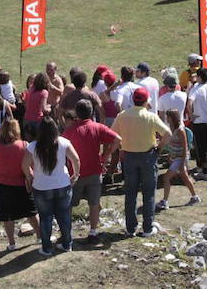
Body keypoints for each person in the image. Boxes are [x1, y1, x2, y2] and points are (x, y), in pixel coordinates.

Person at [113, 87, 171, 237]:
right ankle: (147, 228)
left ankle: (130, 228)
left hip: (129, 157)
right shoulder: (150, 117)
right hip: (147, 156)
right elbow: (168, 134)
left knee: (130, 193)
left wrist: (121, 147)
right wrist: (159, 148)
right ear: (146, 101)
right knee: (149, 193)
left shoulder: (122, 116)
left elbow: (114, 135)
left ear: (133, 100)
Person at [62, 99, 119, 240]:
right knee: (94, 203)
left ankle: (67, 232)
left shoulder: (69, 131)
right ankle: (93, 231)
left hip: (75, 174)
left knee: (68, 204)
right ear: (92, 112)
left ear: (77, 113)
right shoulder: (98, 127)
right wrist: (106, 156)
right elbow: (117, 139)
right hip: (95, 171)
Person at [0, 117, 39, 250]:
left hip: (3, 185)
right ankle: (40, 236)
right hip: (22, 184)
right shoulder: (24, 145)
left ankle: (12, 243)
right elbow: (32, 165)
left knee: (7, 216)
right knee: (31, 212)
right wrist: (31, 177)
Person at [23, 117, 79, 255]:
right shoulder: (64, 142)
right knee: (64, 216)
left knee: (45, 218)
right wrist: (75, 175)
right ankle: (67, 244)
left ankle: (47, 248)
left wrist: (29, 176)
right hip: (62, 184)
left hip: (41, 186)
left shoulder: (33, 146)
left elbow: (24, 165)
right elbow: (76, 159)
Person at [157, 108, 199, 210]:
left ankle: (165, 201)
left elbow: (185, 147)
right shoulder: (171, 128)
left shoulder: (180, 130)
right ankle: (195, 197)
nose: (167, 118)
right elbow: (170, 143)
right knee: (185, 178)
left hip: (180, 158)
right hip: (176, 157)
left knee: (166, 178)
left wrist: (182, 163)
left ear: (172, 118)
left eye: (168, 117)